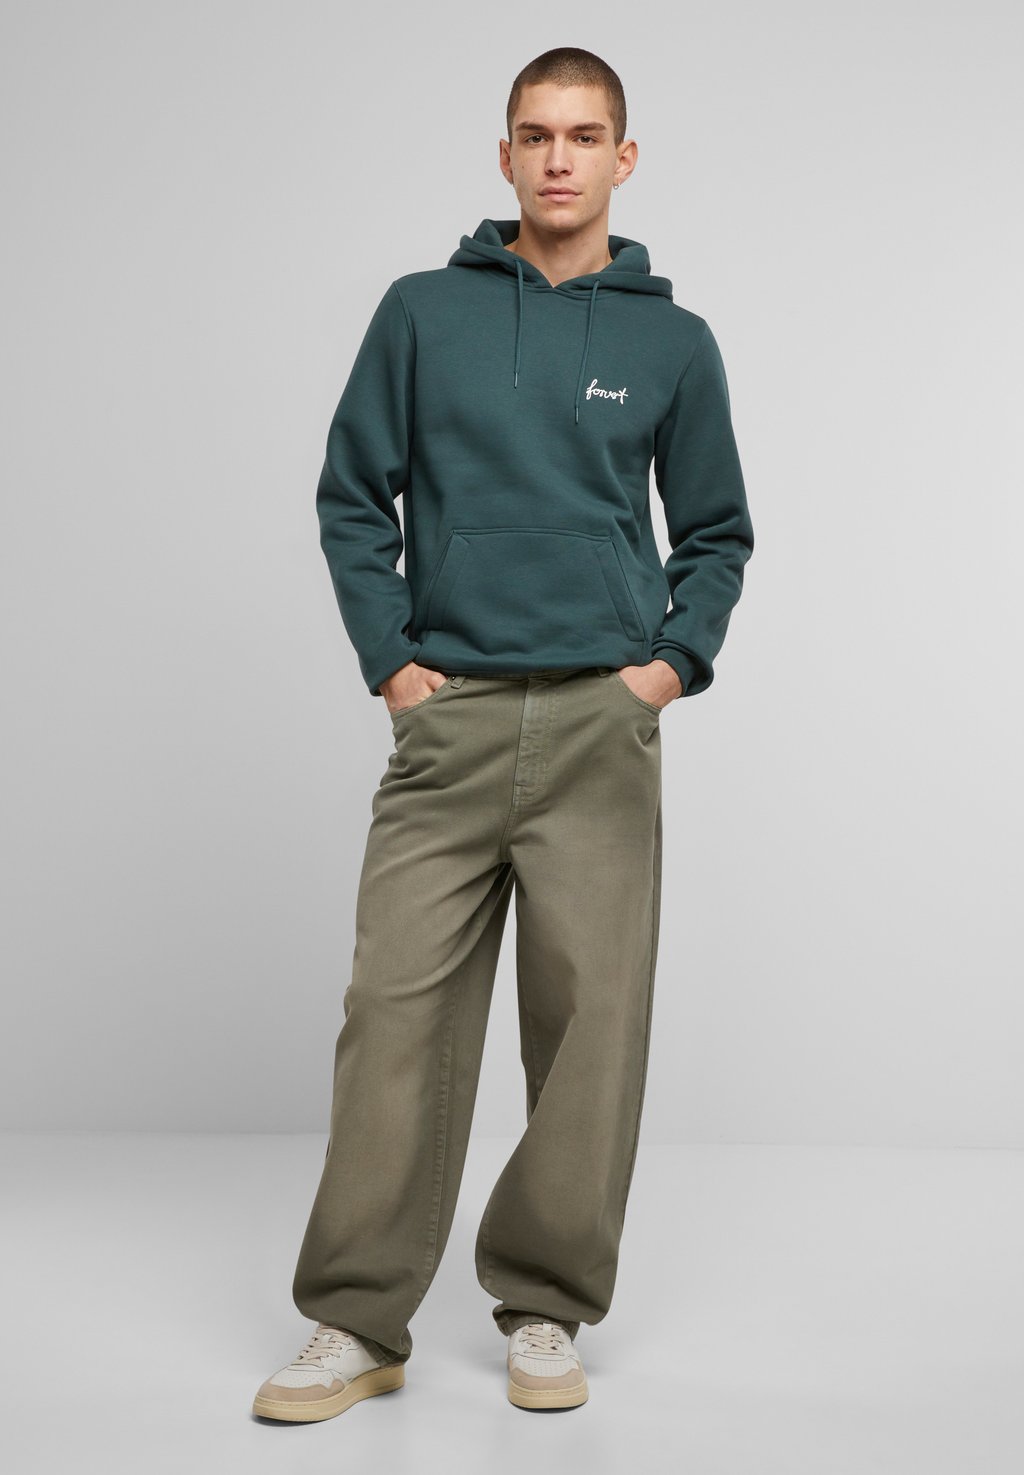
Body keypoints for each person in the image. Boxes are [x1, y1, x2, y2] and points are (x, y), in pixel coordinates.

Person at [253, 44, 753, 1423]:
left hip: (601, 721)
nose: (558, 158)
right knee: (393, 1015)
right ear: (505, 154)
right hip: (453, 718)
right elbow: (352, 496)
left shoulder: (673, 343)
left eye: (584, 136)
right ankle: (358, 1322)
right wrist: (393, 667)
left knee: (592, 1026)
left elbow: (716, 532)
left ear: (623, 159)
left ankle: (544, 1306)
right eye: (536, 134)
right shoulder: (423, 312)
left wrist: (665, 672)